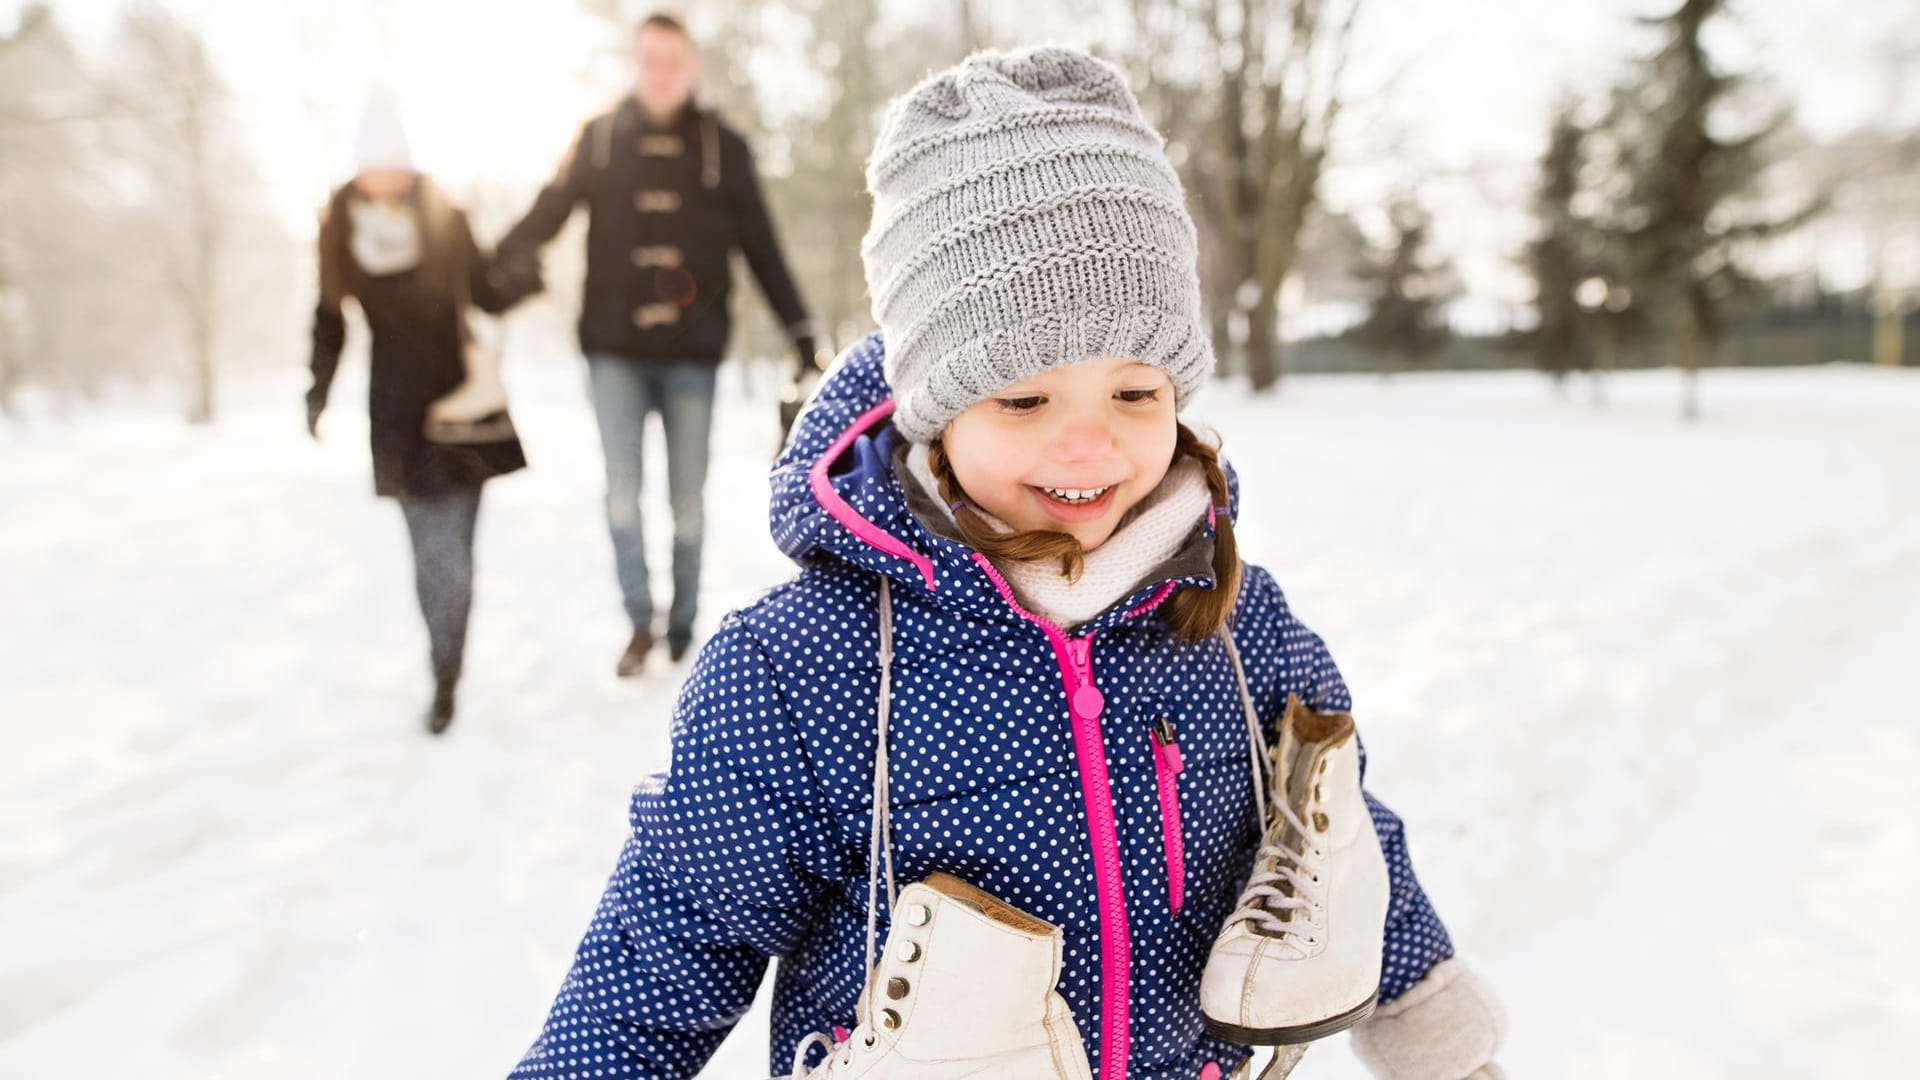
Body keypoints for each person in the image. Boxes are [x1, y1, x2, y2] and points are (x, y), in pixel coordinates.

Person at [507, 49, 1505, 1079]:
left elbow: (1336, 826)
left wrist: (1430, 1016)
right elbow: (664, 953)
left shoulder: (1232, 618)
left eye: (1136, 393)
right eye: (1024, 400)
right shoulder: (802, 670)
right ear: (933, 412)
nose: (1091, 448)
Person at [495, 11, 819, 677]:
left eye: (673, 60)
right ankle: (638, 621)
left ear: (690, 65)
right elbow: (549, 209)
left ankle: (682, 624)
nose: (661, 73)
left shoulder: (721, 147)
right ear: (635, 63)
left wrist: (800, 330)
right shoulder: (600, 138)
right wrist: (499, 259)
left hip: (692, 354)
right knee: (620, 493)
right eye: (649, 60)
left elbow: (761, 242)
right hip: (612, 349)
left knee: (688, 502)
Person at [308, 92, 527, 735]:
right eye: (374, 166)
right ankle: (444, 667)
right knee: (427, 554)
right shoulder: (339, 229)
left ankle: (448, 661)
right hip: (397, 416)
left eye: (394, 164)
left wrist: (521, 269)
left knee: (454, 554)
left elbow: (487, 289)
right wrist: (316, 391)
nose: (386, 179)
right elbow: (328, 320)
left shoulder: (444, 216)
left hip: (461, 407)